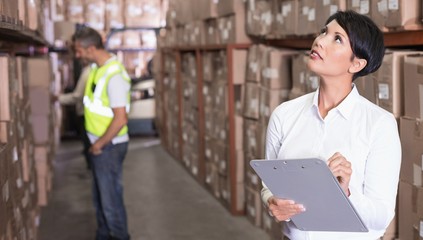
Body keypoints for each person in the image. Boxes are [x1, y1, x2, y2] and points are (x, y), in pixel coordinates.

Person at [262, 10, 401, 240]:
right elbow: (269, 184)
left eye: (337, 38)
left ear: (356, 64)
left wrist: (346, 192)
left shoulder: (379, 125)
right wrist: (271, 201)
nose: (320, 40)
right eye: (324, 31)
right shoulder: (284, 115)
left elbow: (382, 216)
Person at [72, 26, 131, 240]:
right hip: (100, 144)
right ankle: (103, 235)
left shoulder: (114, 75)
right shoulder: (98, 68)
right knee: (100, 198)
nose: (77, 55)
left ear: (92, 48)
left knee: (110, 202)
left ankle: (120, 236)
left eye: (79, 50)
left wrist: (99, 145)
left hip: (109, 146)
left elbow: (120, 119)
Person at [56, 59, 92, 169]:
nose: (77, 56)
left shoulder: (88, 72)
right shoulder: (91, 71)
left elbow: (77, 96)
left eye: (79, 51)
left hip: (87, 114)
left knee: (88, 145)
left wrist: (59, 98)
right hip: (89, 114)